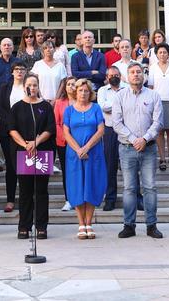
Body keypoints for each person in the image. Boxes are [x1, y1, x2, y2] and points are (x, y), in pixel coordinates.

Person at [113, 62, 163, 239]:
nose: (136, 75)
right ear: (127, 76)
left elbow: (158, 122)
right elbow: (116, 123)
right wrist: (135, 140)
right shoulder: (120, 96)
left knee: (150, 187)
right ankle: (129, 225)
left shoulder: (154, 95)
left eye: (139, 72)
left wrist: (145, 139)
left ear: (144, 75)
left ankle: (151, 225)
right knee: (129, 188)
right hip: (127, 148)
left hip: (148, 149)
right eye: (132, 72)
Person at [8, 74, 56, 239]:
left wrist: (36, 142)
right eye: (29, 85)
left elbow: (50, 128)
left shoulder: (46, 106)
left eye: (35, 85)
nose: (32, 88)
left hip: (42, 152)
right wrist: (25, 144)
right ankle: (24, 226)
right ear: (24, 87)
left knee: (41, 190)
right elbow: (12, 129)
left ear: (38, 87)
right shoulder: (17, 107)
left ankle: (41, 226)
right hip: (23, 153)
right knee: (25, 191)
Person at [65, 78, 109, 241]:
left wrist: (86, 148)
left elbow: (101, 130)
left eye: (86, 91)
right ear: (75, 92)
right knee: (77, 186)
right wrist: (78, 149)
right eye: (80, 90)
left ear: (90, 93)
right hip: (74, 155)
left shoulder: (96, 108)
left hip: (93, 153)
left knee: (92, 184)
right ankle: (81, 223)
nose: (83, 93)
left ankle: (89, 223)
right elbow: (66, 132)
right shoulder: (69, 110)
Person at [0, 62, 28, 213]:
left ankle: (25, 198)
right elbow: (1, 109)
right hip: (8, 133)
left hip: (26, 134)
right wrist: (12, 126)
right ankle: (10, 199)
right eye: (17, 69)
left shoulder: (29, 87)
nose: (20, 72)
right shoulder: (5, 88)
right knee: (11, 166)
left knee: (25, 166)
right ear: (12, 72)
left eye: (22, 69)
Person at [145, 42, 169, 172]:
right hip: (157, 102)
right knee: (159, 132)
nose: (162, 54)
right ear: (156, 54)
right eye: (160, 52)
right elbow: (150, 87)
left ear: (168, 54)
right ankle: (162, 159)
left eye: (165, 52)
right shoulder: (152, 68)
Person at [95, 64, 124, 211]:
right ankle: (110, 198)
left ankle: (137, 198)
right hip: (110, 129)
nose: (114, 77)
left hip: (127, 130)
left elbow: (111, 106)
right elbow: (103, 106)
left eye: (116, 75)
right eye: (111, 75)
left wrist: (114, 106)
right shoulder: (102, 90)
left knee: (131, 165)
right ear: (106, 78)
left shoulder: (127, 88)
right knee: (110, 165)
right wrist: (121, 104)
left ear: (120, 76)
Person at [53, 76, 75, 210]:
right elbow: (56, 123)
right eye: (69, 84)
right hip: (64, 142)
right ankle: (69, 199)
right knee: (67, 171)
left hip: (81, 143)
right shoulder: (60, 103)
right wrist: (66, 137)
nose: (71, 87)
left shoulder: (84, 101)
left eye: (74, 84)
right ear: (64, 87)